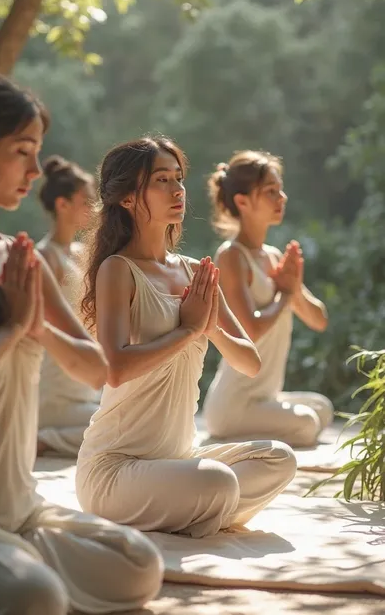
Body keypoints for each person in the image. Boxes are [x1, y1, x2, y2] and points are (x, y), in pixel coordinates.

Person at [0, 72, 163, 615]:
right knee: (36, 596)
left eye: (37, 153)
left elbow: (97, 370)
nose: (33, 170)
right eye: (23, 152)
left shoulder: (18, 259)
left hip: (22, 506)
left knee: (141, 564)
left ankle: (4, 564)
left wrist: (37, 326)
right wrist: (12, 327)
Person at [75, 137, 297, 538]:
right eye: (162, 180)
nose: (177, 189)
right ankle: (194, 507)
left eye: (178, 178)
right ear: (127, 197)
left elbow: (249, 361)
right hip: (116, 469)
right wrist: (189, 330)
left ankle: (187, 509)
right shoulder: (118, 270)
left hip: (179, 459)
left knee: (278, 458)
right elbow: (117, 368)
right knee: (217, 482)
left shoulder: (196, 271)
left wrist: (210, 328)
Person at [203, 151, 333, 448]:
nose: (282, 197)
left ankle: (240, 436)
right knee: (307, 424)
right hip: (236, 404)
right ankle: (222, 440)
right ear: (242, 201)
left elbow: (319, 320)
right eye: (271, 191)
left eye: (280, 189)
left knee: (322, 409)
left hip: (267, 398)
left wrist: (294, 288)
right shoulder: (231, 256)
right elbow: (250, 329)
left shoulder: (273, 257)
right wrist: (284, 293)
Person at [37, 156, 100, 457]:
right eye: (85, 200)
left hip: (84, 383)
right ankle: (44, 439)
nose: (93, 206)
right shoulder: (43, 257)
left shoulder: (80, 252)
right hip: (57, 388)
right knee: (117, 427)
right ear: (62, 205)